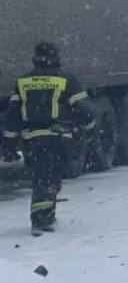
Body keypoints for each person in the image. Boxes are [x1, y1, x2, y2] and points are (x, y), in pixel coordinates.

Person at [2, 42, 95, 234]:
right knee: (49, 178)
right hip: (56, 137)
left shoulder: (23, 81)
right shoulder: (66, 79)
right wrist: (90, 127)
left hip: (31, 139)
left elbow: (12, 116)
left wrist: (9, 145)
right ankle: (41, 219)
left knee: (41, 176)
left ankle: (45, 213)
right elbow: (83, 109)